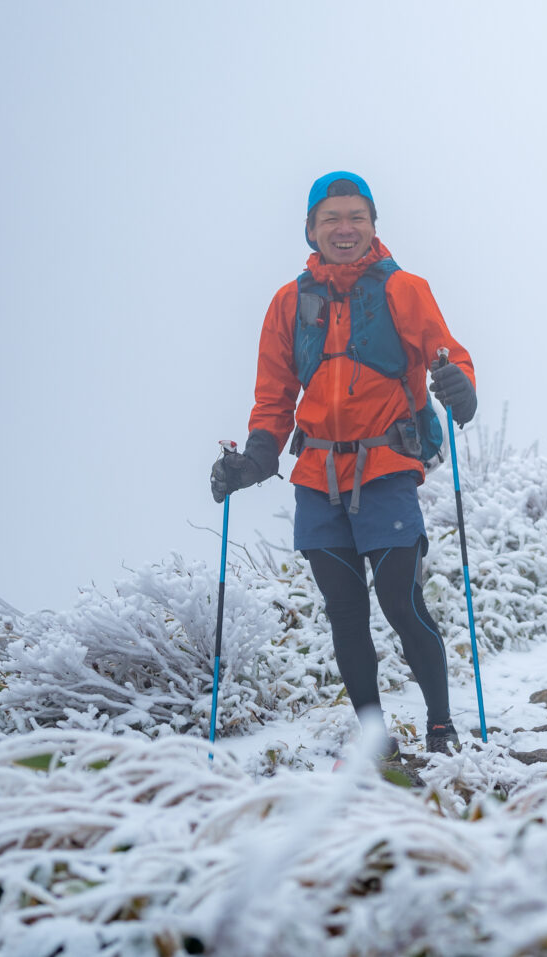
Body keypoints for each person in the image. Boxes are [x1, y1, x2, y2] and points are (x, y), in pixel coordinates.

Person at [210, 170, 478, 757]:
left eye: (356, 217)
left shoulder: (403, 289)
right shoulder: (288, 303)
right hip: (317, 479)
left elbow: (447, 354)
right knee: (346, 615)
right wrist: (255, 459)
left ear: (374, 226)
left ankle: (441, 728)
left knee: (401, 604)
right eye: (331, 218)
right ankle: (376, 740)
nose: (344, 228)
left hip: (386, 469)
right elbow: (274, 395)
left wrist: (461, 386)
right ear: (311, 230)